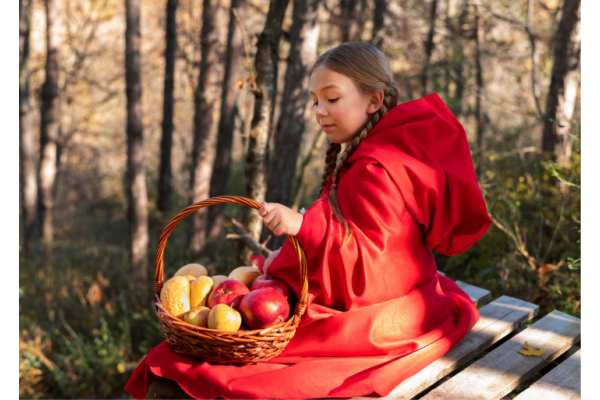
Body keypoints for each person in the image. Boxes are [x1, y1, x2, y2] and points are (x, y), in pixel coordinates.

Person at [125, 42, 492, 399]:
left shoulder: (374, 169)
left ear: (374, 100)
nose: (320, 110)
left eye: (332, 99)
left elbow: (371, 262)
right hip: (409, 290)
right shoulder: (384, 151)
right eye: (315, 101)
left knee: (211, 365)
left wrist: (304, 227)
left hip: (378, 312)